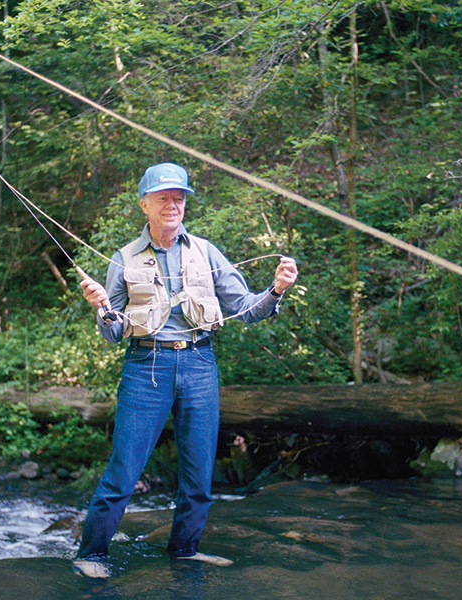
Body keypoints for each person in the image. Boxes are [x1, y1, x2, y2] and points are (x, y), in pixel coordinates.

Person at [74, 162, 298, 577]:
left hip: (199, 365)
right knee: (124, 471)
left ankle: (185, 550)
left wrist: (277, 289)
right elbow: (115, 331)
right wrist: (102, 307)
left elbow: (246, 310)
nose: (173, 204)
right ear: (144, 204)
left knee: (198, 475)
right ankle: (91, 555)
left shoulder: (206, 252)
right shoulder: (123, 258)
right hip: (147, 367)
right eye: (163, 197)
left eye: (179, 197)